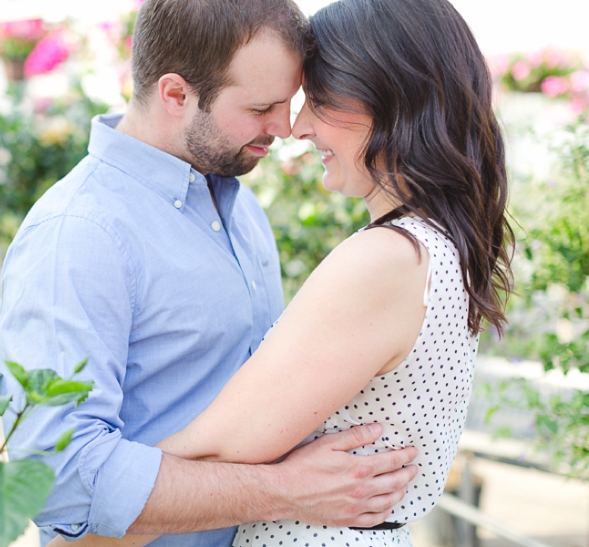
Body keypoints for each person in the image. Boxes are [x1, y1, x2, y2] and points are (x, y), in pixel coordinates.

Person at [47, 0, 514, 546]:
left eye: (317, 100)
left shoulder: (386, 259)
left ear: (387, 99)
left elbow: (222, 444)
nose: (298, 126)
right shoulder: (436, 245)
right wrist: (282, 485)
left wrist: (77, 544)